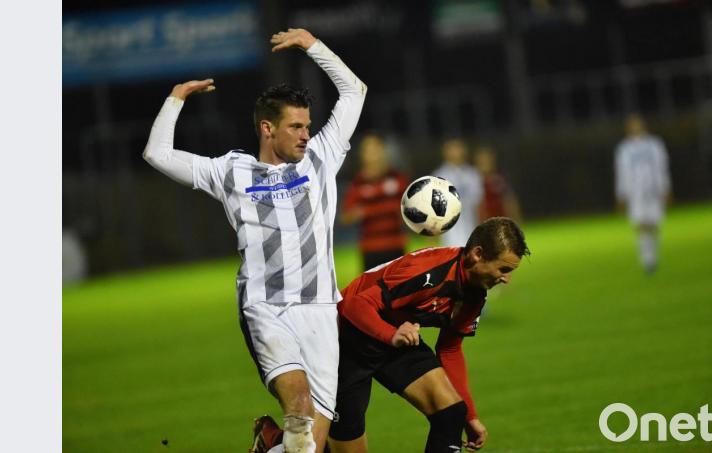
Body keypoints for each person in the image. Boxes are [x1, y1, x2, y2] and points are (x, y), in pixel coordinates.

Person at [142, 28, 367, 453]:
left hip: (320, 308)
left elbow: (354, 91)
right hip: (266, 307)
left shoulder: (322, 155)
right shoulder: (230, 172)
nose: (305, 134)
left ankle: (269, 444)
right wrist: (176, 99)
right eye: (295, 126)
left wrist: (312, 46)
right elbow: (158, 154)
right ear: (268, 128)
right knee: (299, 406)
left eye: (307, 125)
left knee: (308, 448)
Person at [328, 217, 530, 453]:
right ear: (477, 254)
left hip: (396, 336)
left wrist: (470, 416)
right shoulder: (429, 270)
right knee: (341, 446)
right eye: (503, 268)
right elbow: (353, 305)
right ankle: (278, 442)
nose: (506, 278)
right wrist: (391, 334)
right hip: (349, 336)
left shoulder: (475, 294)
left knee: (451, 412)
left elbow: (450, 350)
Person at [341, 133, 410, 271]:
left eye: (376, 149)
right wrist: (358, 214)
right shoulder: (357, 183)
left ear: (383, 151)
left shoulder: (398, 178)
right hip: (371, 249)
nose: (374, 154)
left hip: (395, 245)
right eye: (369, 150)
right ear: (362, 155)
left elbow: (413, 208)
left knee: (401, 291)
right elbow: (345, 218)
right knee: (373, 291)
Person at [614, 114, 672, 274]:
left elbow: (662, 167)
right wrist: (621, 195)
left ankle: (653, 256)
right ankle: (647, 260)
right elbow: (622, 173)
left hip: (652, 190)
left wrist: (665, 189)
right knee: (640, 225)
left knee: (653, 224)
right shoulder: (624, 149)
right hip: (635, 194)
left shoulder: (654, 145)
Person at [433, 139, 483, 247]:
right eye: (452, 149)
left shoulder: (472, 174)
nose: (456, 152)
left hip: (472, 233)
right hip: (449, 237)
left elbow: (478, 205)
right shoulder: (439, 175)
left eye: (458, 148)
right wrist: (433, 239)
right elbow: (434, 211)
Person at [473, 146, 523, 222]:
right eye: (482, 160)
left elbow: (510, 202)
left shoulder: (499, 179)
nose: (485, 163)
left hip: (500, 224)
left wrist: (516, 222)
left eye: (487, 159)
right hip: (480, 225)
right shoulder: (472, 180)